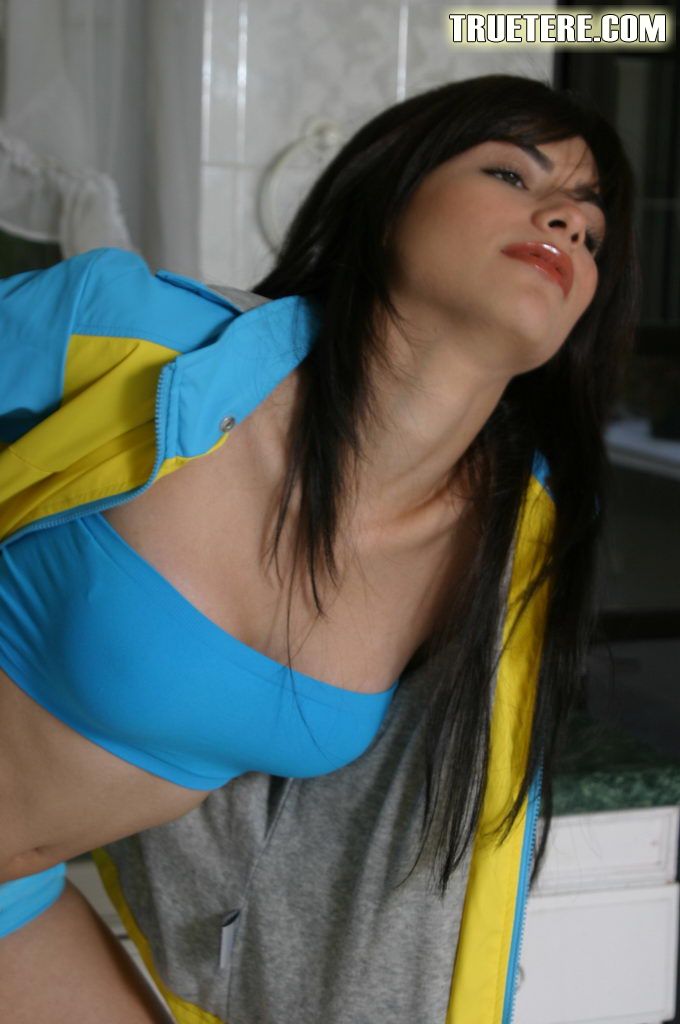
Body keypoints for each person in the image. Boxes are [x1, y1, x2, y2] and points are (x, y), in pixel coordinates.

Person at [0, 72, 638, 1021]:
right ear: (386, 201)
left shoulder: (500, 552)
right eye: (512, 175)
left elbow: (438, 874)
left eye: (590, 227)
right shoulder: (142, 342)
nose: (567, 221)